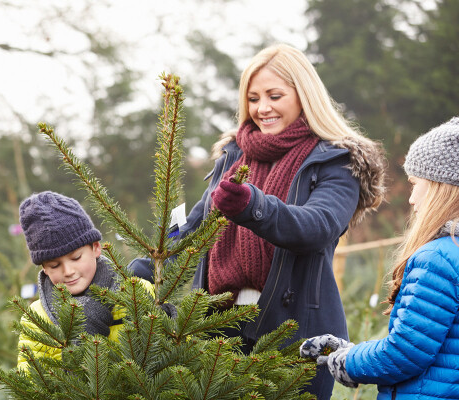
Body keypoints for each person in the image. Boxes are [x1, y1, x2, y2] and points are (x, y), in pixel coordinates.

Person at [128, 43, 387, 398]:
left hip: (295, 337)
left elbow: (317, 226)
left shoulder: (335, 161)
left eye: (274, 95)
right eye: (253, 98)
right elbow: (191, 228)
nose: (262, 108)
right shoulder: (233, 155)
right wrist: (131, 272)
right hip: (216, 332)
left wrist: (252, 205)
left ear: (304, 95)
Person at [300, 117, 459, 399]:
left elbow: (404, 354)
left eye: (414, 184)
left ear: (439, 187)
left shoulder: (439, 258)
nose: (411, 199)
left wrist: (344, 359)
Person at [15, 191, 156, 370]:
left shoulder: (136, 293)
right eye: (54, 265)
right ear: (44, 268)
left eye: (76, 258)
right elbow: (31, 382)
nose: (68, 271)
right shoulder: (36, 318)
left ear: (96, 248)